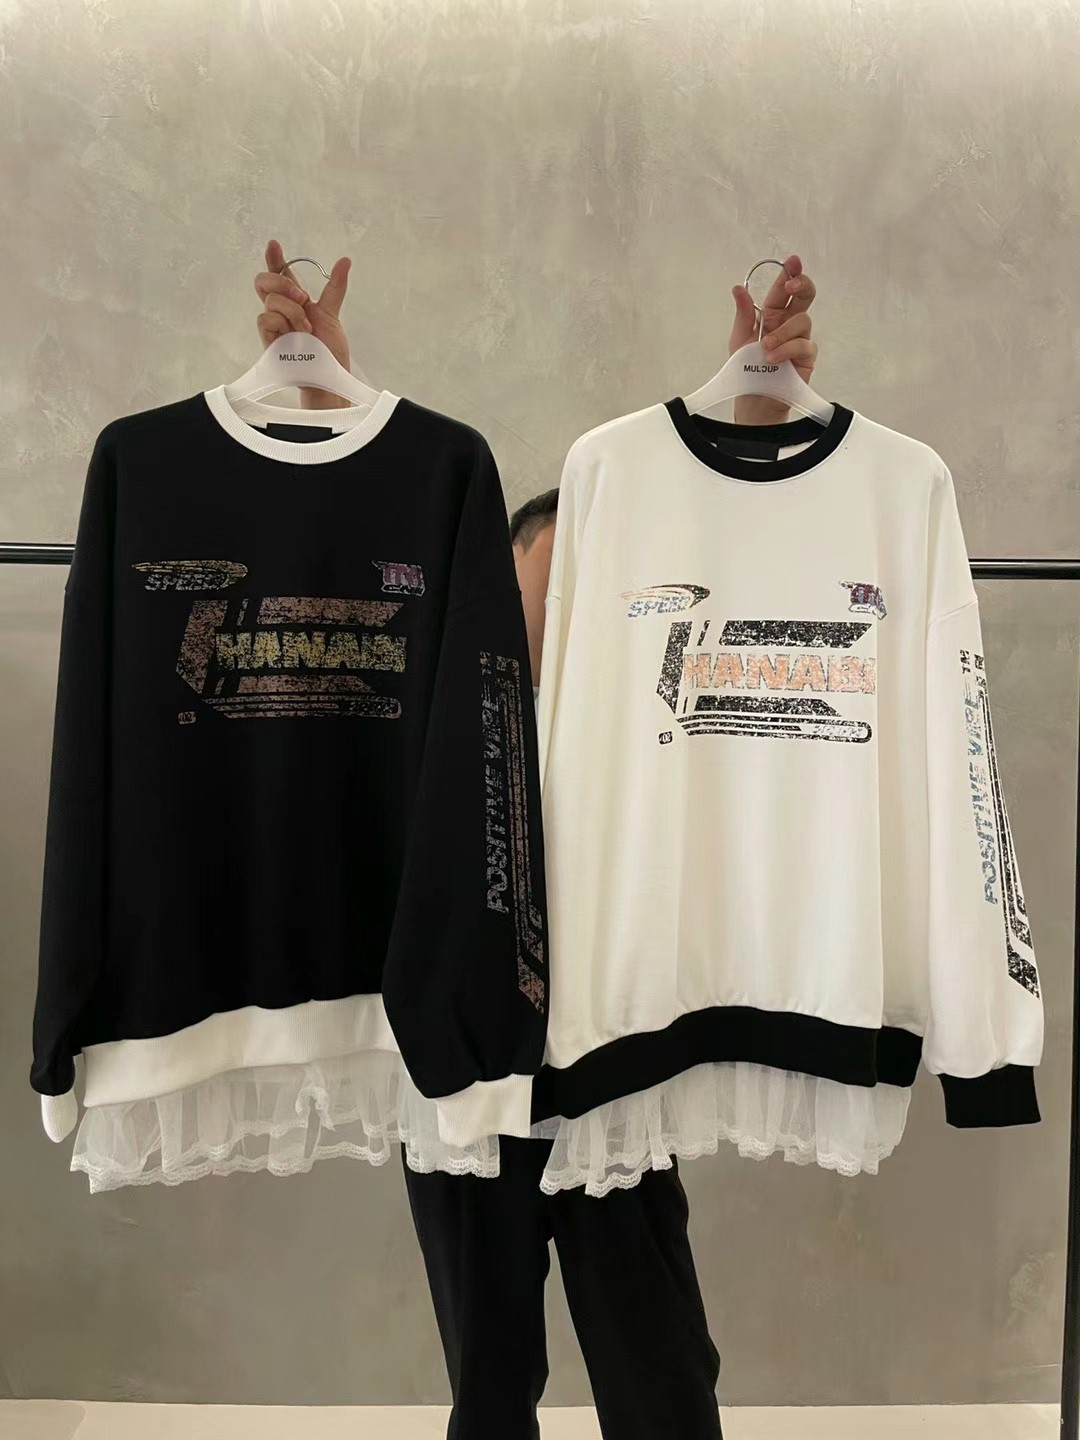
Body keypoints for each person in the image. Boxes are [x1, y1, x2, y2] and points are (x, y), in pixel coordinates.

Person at [253, 239, 819, 1440]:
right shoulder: (445, 716)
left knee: (662, 1379)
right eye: (529, 610)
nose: (549, 643)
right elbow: (353, 563)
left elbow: (752, 576)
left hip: (612, 1077)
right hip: (459, 1086)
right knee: (490, 1386)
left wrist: (755, 427)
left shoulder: (661, 731)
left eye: (582, 613)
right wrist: (323, 401)